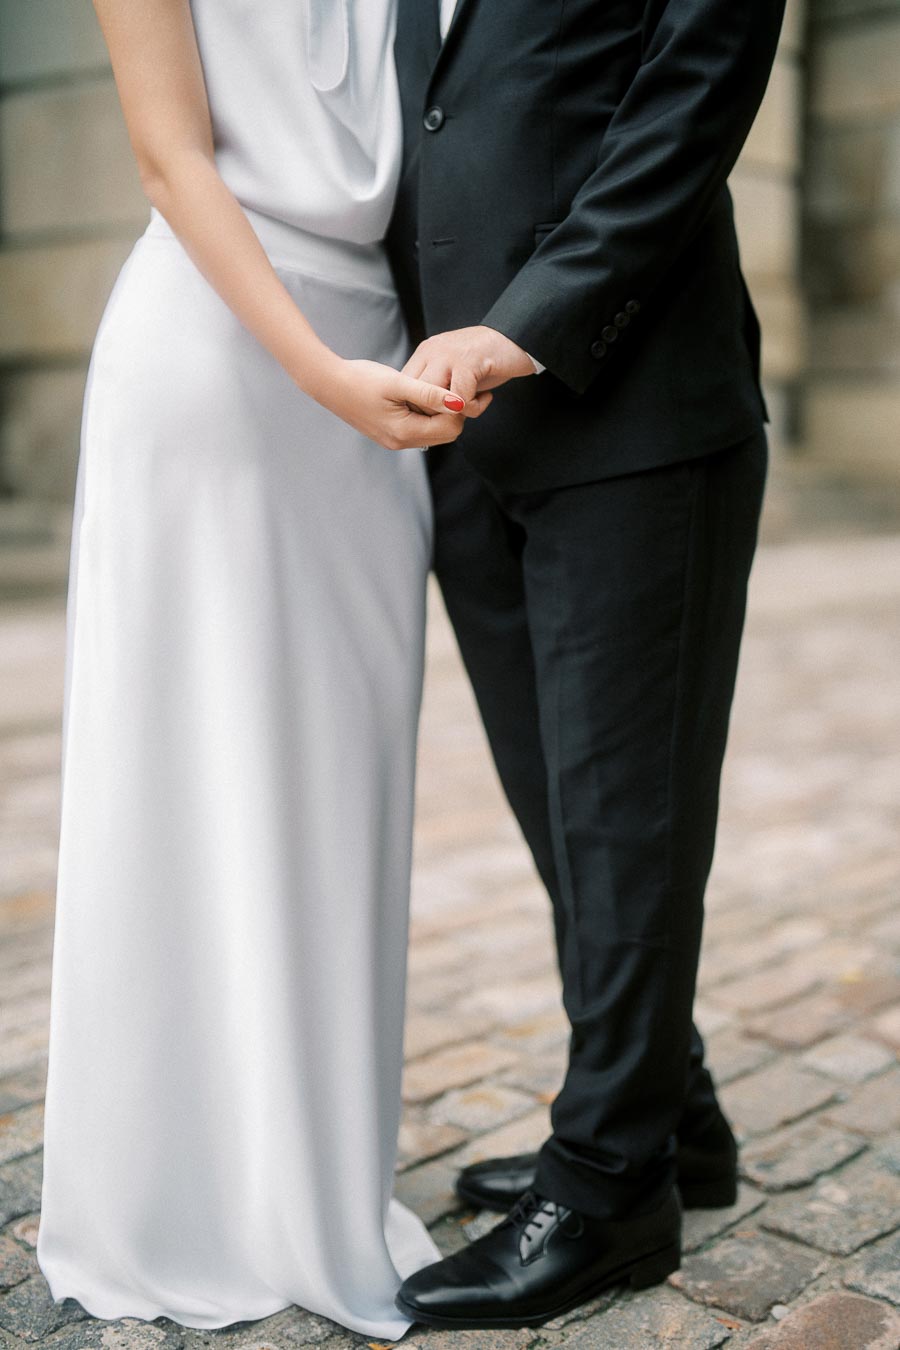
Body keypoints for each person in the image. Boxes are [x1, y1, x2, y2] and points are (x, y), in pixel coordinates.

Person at [35, 0, 482, 1340]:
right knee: (182, 795)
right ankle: (177, 1199)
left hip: (377, 380)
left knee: (339, 799)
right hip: (232, 360)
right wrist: (317, 372)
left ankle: (318, 1186)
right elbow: (170, 159)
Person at [387, 0, 787, 1330]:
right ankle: (676, 1113)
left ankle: (614, 1181)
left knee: (627, 816)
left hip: (635, 412)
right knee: (566, 810)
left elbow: (693, 96)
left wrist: (534, 322)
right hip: (458, 437)